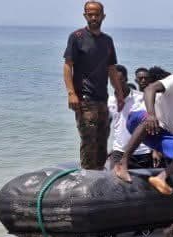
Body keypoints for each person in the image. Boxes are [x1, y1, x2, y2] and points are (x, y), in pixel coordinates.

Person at [113, 70, 173, 195]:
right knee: (147, 120)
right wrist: (152, 114)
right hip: (139, 119)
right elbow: (149, 89)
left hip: (158, 133)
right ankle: (122, 163)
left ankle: (160, 178)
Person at [63, 1, 124, 170]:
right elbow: (68, 65)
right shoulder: (77, 37)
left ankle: (99, 176)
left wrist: (119, 93)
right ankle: (88, 175)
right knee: (89, 139)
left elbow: (111, 69)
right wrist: (71, 93)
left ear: (103, 16)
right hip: (84, 98)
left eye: (97, 14)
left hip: (102, 98)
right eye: (90, 14)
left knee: (102, 139)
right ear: (85, 16)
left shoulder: (107, 41)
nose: (94, 17)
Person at [108, 64, 155, 169]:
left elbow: (154, 123)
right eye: (113, 81)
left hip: (143, 151)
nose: (116, 84)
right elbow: (104, 128)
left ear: (126, 79)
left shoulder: (142, 98)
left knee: (145, 184)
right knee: (114, 181)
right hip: (119, 151)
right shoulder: (109, 101)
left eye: (119, 80)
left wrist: (156, 149)